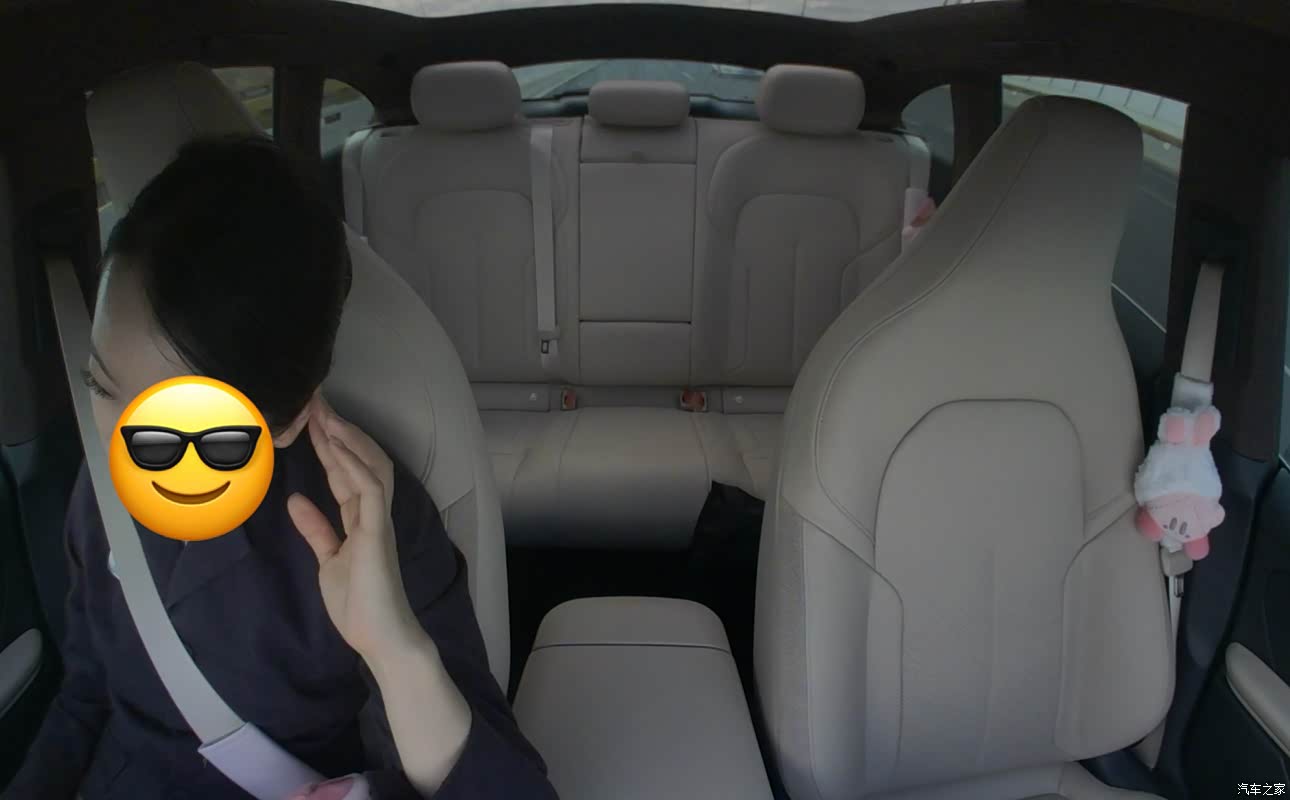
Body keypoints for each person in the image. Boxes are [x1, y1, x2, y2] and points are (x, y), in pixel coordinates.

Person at [4, 136, 557, 799]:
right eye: (101, 386)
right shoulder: (99, 491)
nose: (124, 447)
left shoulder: (367, 525)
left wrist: (393, 646)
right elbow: (88, 695)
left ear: (289, 419)